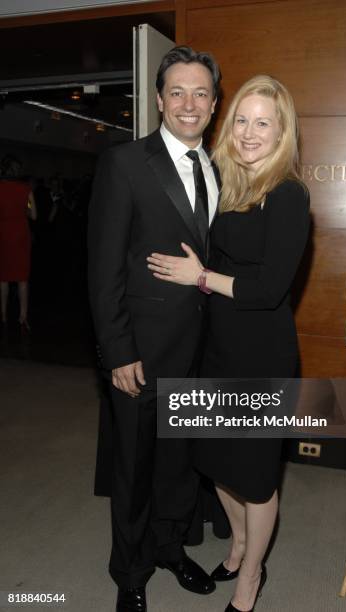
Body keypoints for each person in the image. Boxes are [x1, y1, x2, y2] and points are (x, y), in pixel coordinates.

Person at [146, 74, 310, 612]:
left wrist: (200, 277)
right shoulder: (227, 183)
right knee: (217, 462)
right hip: (217, 346)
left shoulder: (288, 194)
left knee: (257, 478)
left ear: (282, 130)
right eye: (241, 118)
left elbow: (267, 291)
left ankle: (252, 577)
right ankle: (239, 546)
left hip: (262, 354)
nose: (248, 132)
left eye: (263, 122)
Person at [88, 46, 221, 612]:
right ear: (160, 100)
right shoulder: (125, 163)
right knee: (136, 467)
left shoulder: (220, 168)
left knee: (180, 461)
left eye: (200, 93)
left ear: (215, 104)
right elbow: (103, 266)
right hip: (140, 351)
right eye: (177, 92)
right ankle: (130, 572)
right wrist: (118, 351)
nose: (188, 104)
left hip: (203, 350)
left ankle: (170, 548)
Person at [0, 156, 37, 329]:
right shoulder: (26, 189)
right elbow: (34, 215)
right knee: (22, 278)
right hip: (21, 234)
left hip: (3, 233)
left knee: (3, 277)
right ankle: (23, 316)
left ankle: (3, 316)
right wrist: (24, 210)